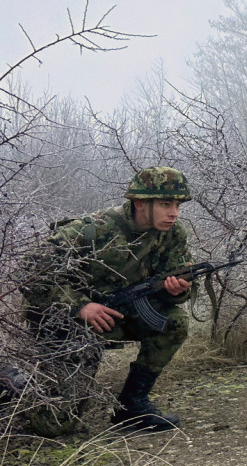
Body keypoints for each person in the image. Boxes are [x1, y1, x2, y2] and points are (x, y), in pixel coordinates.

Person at [19, 166, 195, 435]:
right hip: (67, 324)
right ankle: (13, 383)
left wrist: (177, 290)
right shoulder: (92, 230)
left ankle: (132, 406)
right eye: (165, 204)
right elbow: (29, 271)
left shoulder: (172, 233)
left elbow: (178, 286)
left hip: (118, 314)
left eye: (177, 205)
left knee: (174, 321)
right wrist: (80, 306)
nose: (174, 213)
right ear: (139, 203)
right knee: (53, 426)